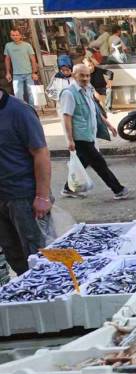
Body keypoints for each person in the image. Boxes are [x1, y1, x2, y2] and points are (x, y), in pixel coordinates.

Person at [0, 88, 53, 276]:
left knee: (39, 254)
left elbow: (41, 153)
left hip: (24, 196)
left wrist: (42, 196)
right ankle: (28, 299)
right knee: (13, 254)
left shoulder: (19, 111)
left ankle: (50, 299)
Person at [59, 64, 129, 200]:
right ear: (74, 75)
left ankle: (68, 188)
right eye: (82, 75)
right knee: (99, 163)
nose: (85, 78)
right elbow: (66, 117)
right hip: (80, 136)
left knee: (84, 161)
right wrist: (69, 140)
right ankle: (118, 189)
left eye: (87, 75)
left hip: (89, 133)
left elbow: (95, 110)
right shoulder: (69, 93)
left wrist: (108, 124)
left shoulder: (87, 89)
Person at [4, 28, 39, 104]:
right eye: (13, 35)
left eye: (17, 35)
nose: (15, 37)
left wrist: (34, 72)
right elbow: (7, 60)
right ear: (10, 36)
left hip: (29, 74)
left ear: (20, 36)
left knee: (32, 94)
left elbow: (33, 59)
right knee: (18, 95)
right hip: (16, 75)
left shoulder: (27, 45)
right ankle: (22, 112)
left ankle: (32, 110)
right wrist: (8, 72)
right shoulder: (8, 46)